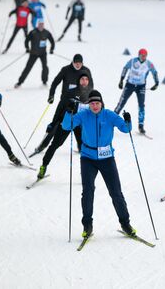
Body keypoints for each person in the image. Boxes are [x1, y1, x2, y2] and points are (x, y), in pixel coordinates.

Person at [62, 90, 136, 238]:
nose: (95, 106)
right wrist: (68, 112)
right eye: (92, 103)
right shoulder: (83, 115)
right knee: (88, 191)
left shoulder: (109, 115)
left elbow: (126, 129)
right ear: (88, 104)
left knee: (116, 192)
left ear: (101, 103)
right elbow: (66, 126)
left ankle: (125, 223)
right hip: (88, 158)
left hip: (107, 158)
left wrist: (128, 120)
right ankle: (87, 225)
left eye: (97, 103)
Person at [31, 54, 94, 156]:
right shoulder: (66, 70)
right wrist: (51, 95)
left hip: (80, 104)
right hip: (65, 103)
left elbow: (91, 86)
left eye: (80, 63)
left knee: (79, 126)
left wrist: (88, 99)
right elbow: (55, 83)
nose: (78, 65)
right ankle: (42, 145)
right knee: (56, 124)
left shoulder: (86, 71)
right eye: (76, 63)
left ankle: (81, 147)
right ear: (73, 62)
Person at [36, 72, 92, 179]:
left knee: (84, 148)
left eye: (86, 79)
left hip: (80, 126)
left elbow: (96, 110)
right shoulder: (70, 92)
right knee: (55, 144)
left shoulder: (91, 94)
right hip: (67, 122)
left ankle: (85, 173)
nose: (84, 81)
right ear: (78, 81)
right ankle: (43, 166)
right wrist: (53, 123)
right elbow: (60, 108)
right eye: (82, 79)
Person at [114, 49, 159, 134]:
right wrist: (121, 80)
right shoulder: (132, 61)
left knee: (141, 105)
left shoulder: (149, 64)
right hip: (130, 85)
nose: (143, 57)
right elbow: (125, 68)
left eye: (145, 55)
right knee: (121, 102)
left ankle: (141, 126)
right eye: (142, 55)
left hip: (141, 86)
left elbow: (154, 72)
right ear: (139, 55)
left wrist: (156, 83)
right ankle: (112, 118)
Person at [15, 21, 55, 88]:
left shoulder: (46, 32)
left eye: (42, 24)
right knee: (28, 67)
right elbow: (26, 40)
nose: (41, 26)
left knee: (45, 67)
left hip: (43, 53)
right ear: (37, 25)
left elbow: (52, 41)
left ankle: (44, 82)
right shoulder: (33, 32)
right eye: (40, 24)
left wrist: (51, 49)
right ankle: (19, 82)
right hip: (33, 53)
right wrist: (27, 48)